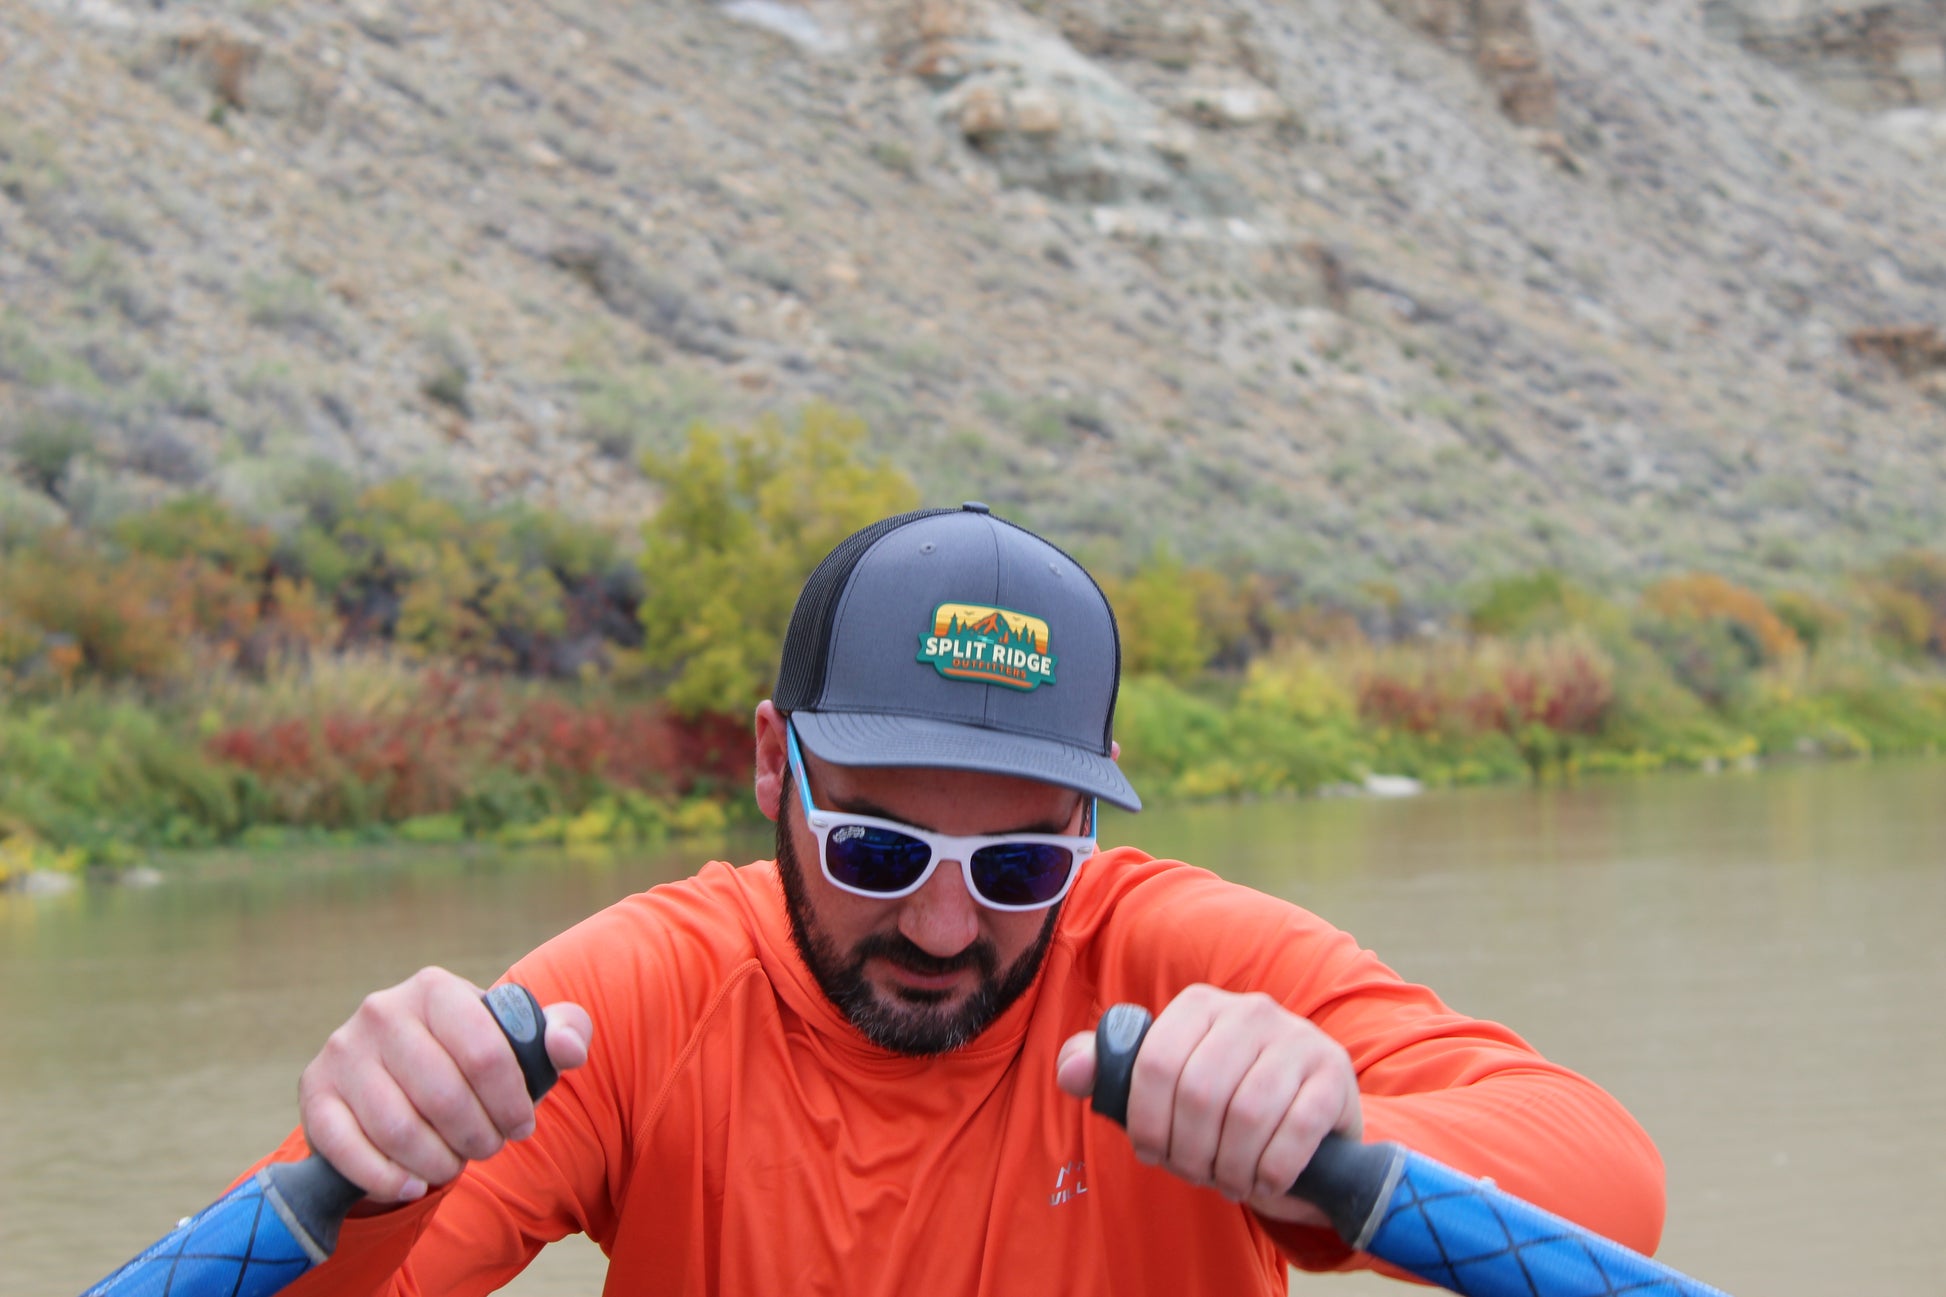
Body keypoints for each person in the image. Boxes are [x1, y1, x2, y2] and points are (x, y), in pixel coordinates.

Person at [253, 503, 1665, 1295]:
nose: (942, 928)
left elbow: (1611, 1181)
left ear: (1089, 814)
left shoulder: (1178, 962)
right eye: (877, 850)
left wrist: (1335, 1137)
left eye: (1020, 868)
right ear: (773, 765)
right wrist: (373, 1164)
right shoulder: (641, 999)